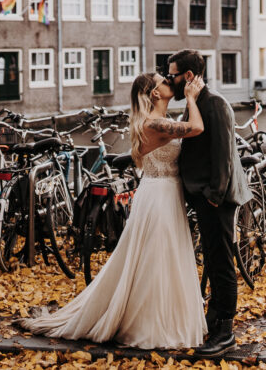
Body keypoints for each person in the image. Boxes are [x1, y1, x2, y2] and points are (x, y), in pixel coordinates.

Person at [17, 71, 209, 350]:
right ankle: (150, 325)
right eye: (164, 81)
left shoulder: (161, 121)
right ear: (154, 93)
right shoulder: (154, 123)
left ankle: (170, 319)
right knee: (156, 261)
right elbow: (197, 128)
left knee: (167, 257)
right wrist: (192, 97)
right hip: (159, 197)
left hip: (167, 194)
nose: (170, 81)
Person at [166, 49, 252, 358]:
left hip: (217, 198)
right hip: (204, 195)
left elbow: (223, 155)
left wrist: (214, 196)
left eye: (171, 74)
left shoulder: (214, 104)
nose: (169, 80)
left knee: (221, 261)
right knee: (214, 259)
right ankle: (215, 317)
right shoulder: (198, 103)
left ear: (187, 76)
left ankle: (226, 331)